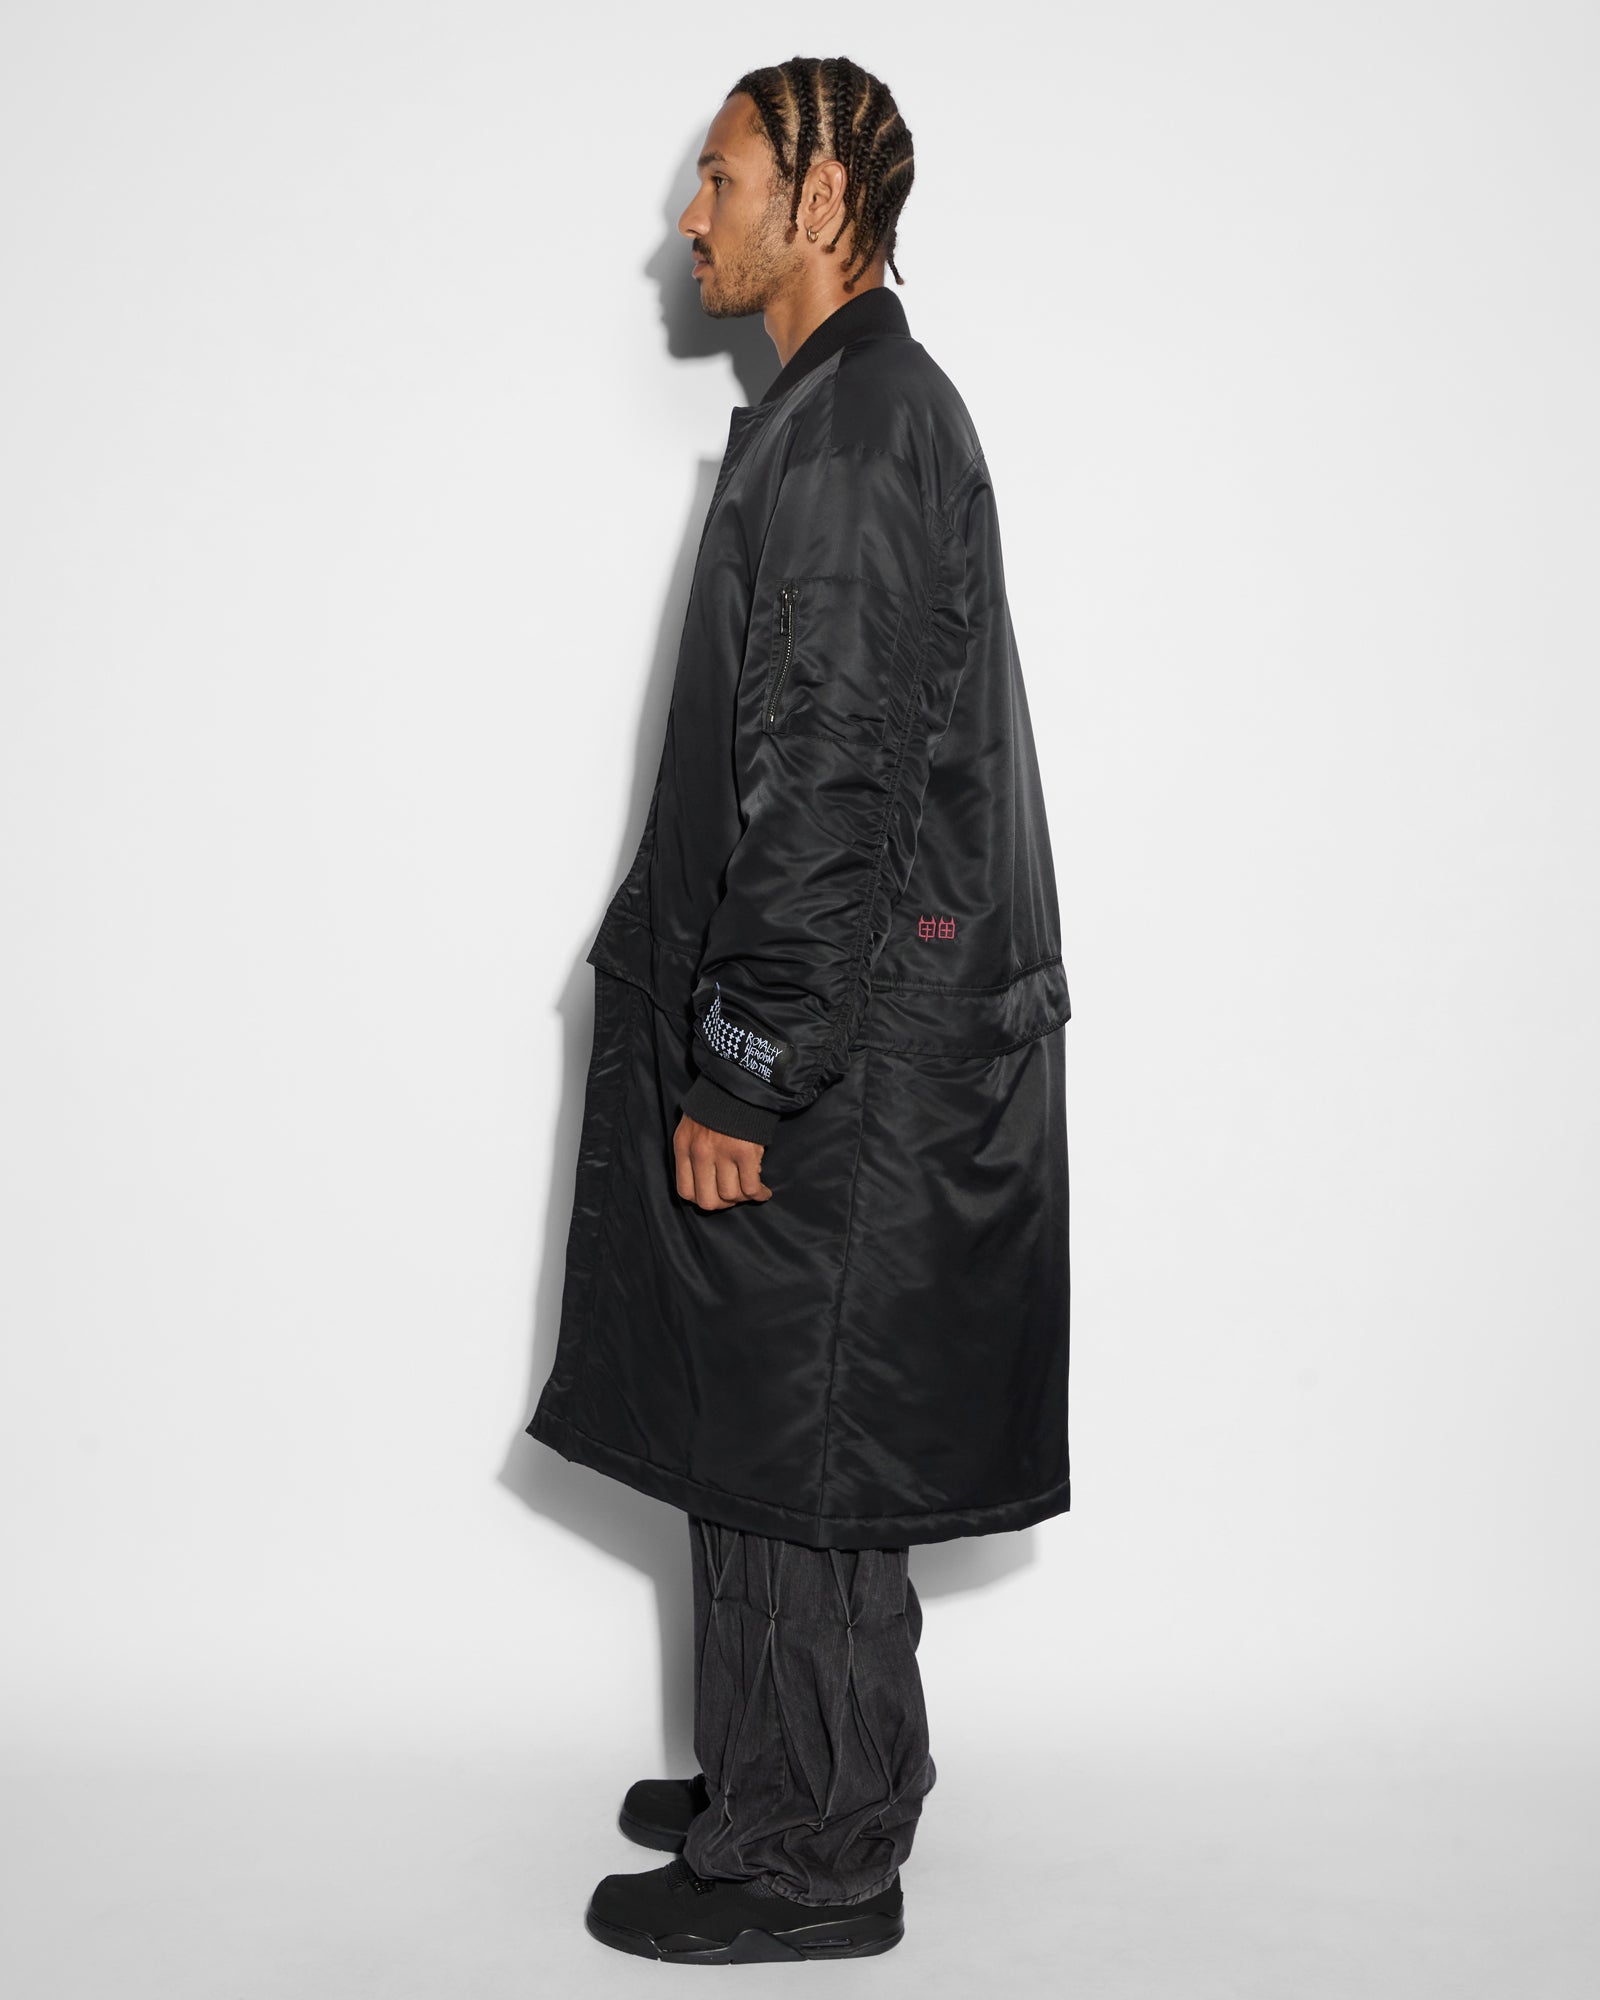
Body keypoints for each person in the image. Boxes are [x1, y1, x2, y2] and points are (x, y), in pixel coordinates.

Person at [525, 52, 1072, 1965]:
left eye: (723, 179)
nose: (690, 221)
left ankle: (820, 1850)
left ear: (821, 203)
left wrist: (746, 1067)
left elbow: (829, 786)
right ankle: (782, 1765)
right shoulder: (835, 417)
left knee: (809, 1428)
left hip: (846, 1054)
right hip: (850, 1034)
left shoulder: (855, 440)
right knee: (764, 1410)